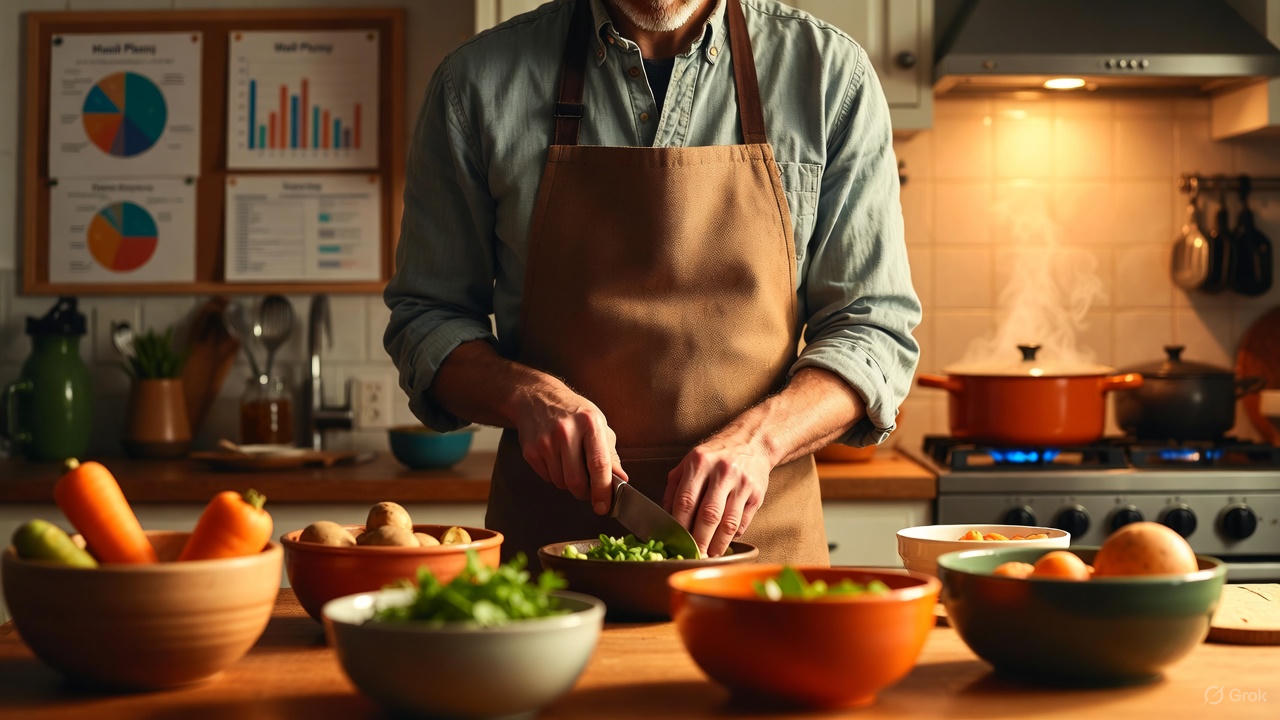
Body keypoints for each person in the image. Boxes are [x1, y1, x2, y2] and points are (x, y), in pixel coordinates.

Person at [384, 0, 920, 565]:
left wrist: (762, 441)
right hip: (551, 566)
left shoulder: (829, 75)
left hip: (762, 559)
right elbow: (428, 320)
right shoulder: (475, 84)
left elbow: (873, 332)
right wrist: (524, 396)